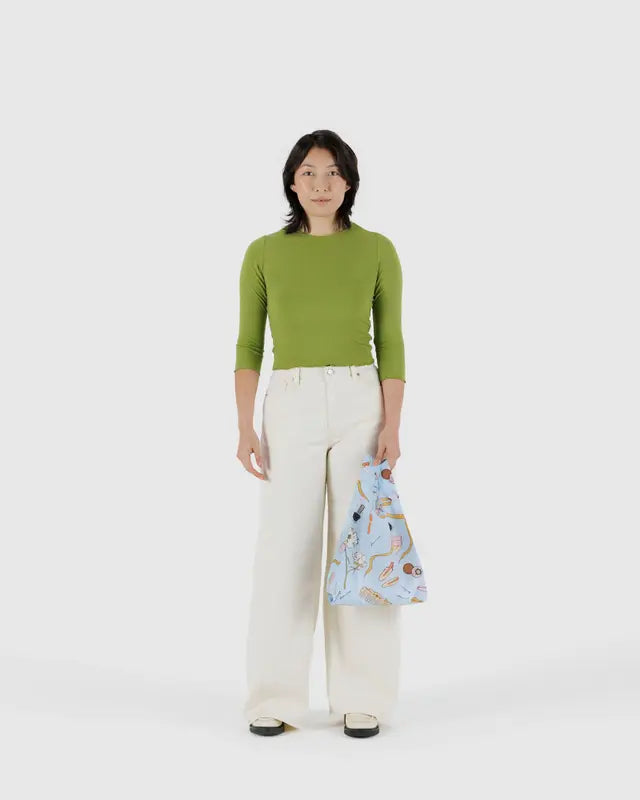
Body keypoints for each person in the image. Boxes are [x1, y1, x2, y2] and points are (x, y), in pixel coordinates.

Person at [234, 129, 406, 738]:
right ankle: (274, 698)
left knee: (359, 546)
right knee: (286, 550)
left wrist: (392, 425)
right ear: (292, 181)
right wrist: (245, 425)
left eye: (332, 172)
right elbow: (249, 344)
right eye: (309, 172)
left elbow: (391, 342)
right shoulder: (263, 253)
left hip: (362, 400)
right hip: (291, 401)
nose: (320, 183)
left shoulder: (378, 249)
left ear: (349, 182)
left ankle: (364, 698)